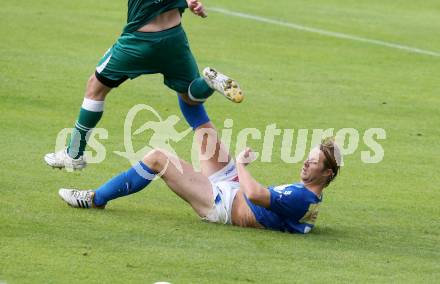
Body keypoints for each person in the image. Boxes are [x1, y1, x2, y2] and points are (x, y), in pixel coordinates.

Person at [44, 0, 243, 170]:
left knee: (95, 87)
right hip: (174, 39)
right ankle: (208, 83)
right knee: (189, 96)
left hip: (139, 42)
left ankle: (74, 154)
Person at [58, 121, 341, 234]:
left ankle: (95, 199)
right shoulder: (310, 195)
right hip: (231, 191)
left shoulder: (302, 198)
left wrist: (241, 165)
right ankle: (194, 86)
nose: (306, 163)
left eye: (313, 162)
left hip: (222, 204)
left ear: (327, 173)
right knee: (205, 131)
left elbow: (254, 194)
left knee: (158, 158)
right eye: (308, 157)